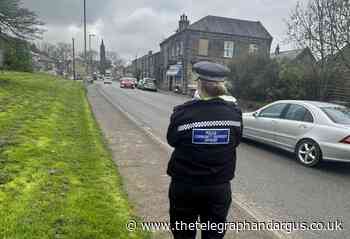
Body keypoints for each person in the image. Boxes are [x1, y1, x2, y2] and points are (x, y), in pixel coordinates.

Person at [166, 61, 243, 239]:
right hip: (218, 187)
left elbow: (172, 140)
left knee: (183, 234)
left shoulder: (183, 113)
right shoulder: (234, 114)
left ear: (199, 84)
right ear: (222, 86)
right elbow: (235, 141)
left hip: (185, 186)